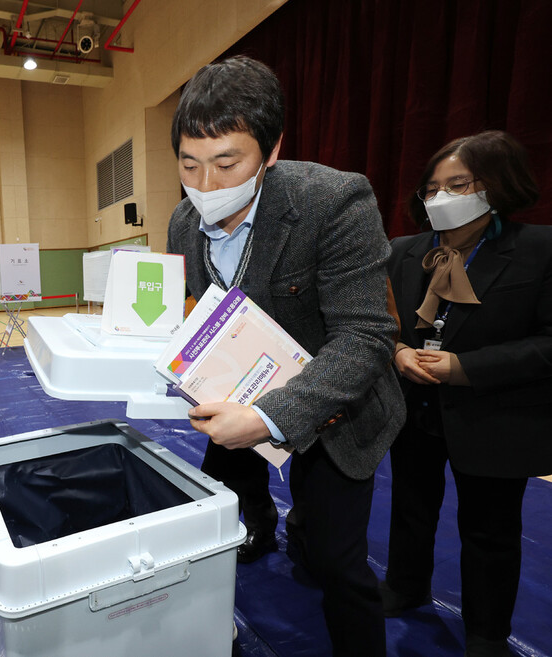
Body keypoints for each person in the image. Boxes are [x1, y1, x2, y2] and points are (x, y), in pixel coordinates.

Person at [166, 56, 405, 656]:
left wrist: (273, 418)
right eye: (189, 165)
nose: (207, 185)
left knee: (334, 559)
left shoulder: (333, 200)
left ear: (271, 151)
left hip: (334, 406)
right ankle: (260, 535)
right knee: (220, 515)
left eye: (227, 163)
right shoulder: (181, 222)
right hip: (232, 395)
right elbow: (197, 315)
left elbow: (364, 337)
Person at [381, 130, 551, 657]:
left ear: (496, 186)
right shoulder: (403, 251)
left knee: (490, 530)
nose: (441, 199)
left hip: (495, 412)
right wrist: (397, 353)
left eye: (458, 185)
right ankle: (406, 587)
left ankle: (486, 632)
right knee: (410, 507)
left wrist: (466, 368)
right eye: (433, 189)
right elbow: (377, 322)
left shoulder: (540, 249)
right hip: (414, 408)